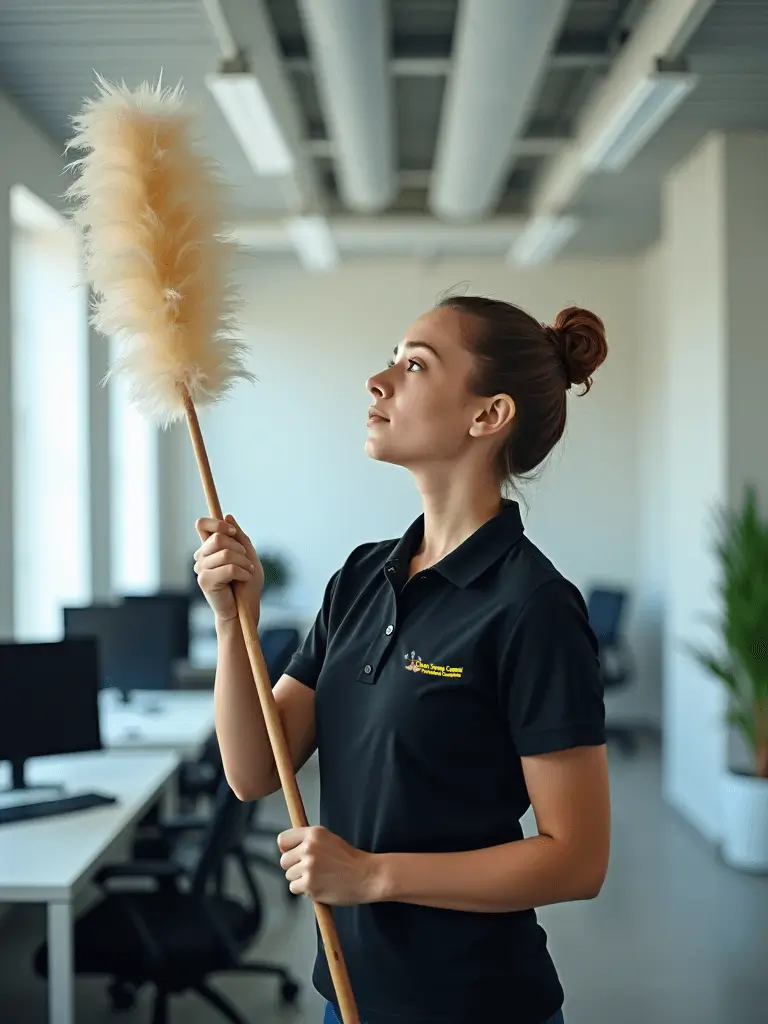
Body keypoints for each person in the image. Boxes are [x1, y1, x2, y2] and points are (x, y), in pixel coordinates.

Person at [194, 295, 612, 1024]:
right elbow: (254, 770)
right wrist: (236, 625)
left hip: (475, 1004)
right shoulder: (361, 577)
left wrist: (373, 875)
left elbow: (578, 859)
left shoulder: (532, 605)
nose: (378, 381)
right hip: (347, 996)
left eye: (414, 364)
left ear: (488, 415)